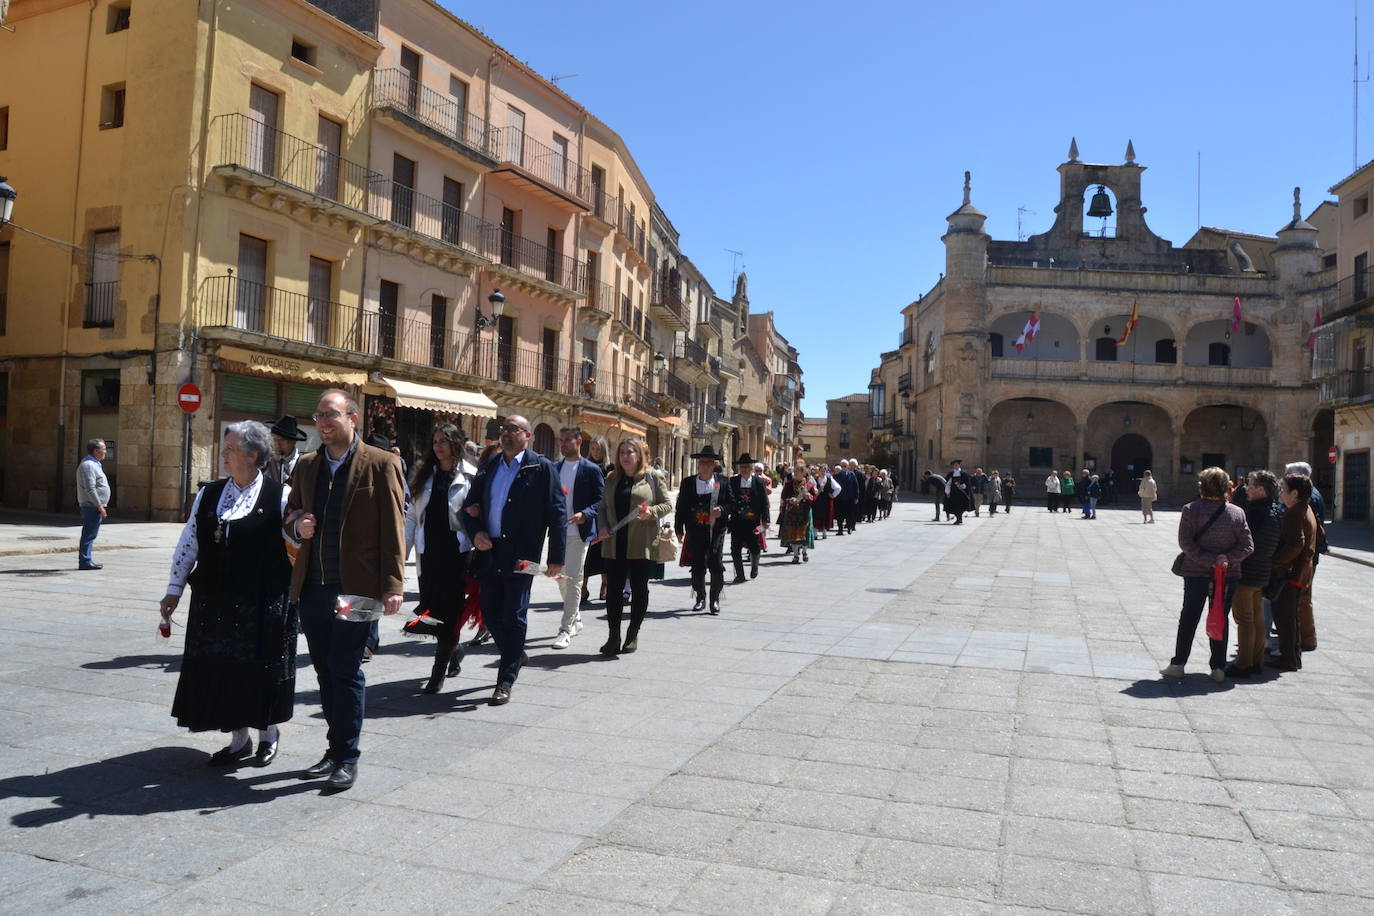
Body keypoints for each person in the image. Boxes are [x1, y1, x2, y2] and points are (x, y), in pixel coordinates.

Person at [285, 389, 406, 791]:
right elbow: (290, 517)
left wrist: (393, 585)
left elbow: (394, 528)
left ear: (353, 418)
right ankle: (334, 749)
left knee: (346, 669)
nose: (323, 421)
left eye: (331, 414)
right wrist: (296, 527)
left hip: (358, 590)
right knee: (323, 671)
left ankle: (347, 757)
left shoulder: (381, 464)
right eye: (318, 414)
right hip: (315, 588)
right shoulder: (306, 466)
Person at [160, 421, 295, 768]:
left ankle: (268, 735)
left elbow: (295, 547)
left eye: (231, 448)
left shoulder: (279, 496)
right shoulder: (210, 493)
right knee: (221, 670)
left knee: (259, 669)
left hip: (261, 602)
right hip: (215, 601)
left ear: (253, 455)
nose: (224, 454)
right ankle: (239, 740)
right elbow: (188, 542)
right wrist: (173, 589)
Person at [462, 415, 566, 706]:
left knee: (514, 614)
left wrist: (556, 557)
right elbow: (469, 507)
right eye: (504, 429)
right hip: (490, 552)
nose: (507, 433)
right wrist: (476, 532)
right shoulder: (490, 465)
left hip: (523, 557)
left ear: (527, 435)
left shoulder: (541, 467)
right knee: (490, 612)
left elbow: (557, 513)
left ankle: (505, 680)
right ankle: (515, 652)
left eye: (514, 429)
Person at [1160, 467, 1254, 683]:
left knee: (1189, 617)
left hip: (1195, 574)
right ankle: (1218, 668)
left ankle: (1178, 664)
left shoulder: (1191, 510)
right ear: (1225, 488)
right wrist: (1225, 559)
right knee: (1221, 617)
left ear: (1202, 486)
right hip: (1228, 575)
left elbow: (1186, 543)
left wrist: (1209, 559)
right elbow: (1248, 546)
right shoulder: (1237, 513)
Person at [403, 423, 477, 694]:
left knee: (449, 612)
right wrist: (404, 550)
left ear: (455, 443)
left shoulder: (470, 475)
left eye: (443, 441)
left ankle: (437, 674)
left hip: (457, 555)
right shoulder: (424, 475)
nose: (438, 446)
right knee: (431, 611)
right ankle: (454, 650)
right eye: (435, 441)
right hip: (429, 554)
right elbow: (412, 515)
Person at [593, 438, 673, 653]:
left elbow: (667, 504)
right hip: (613, 543)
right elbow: (602, 508)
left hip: (641, 543)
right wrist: (601, 527)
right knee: (613, 592)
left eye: (630, 452)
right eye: (622, 452)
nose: (625, 456)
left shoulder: (652, 477)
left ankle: (632, 633)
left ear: (639, 455)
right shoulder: (611, 478)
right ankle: (613, 636)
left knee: (639, 589)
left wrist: (651, 513)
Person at [552, 427, 604, 650]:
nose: (562, 444)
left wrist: (586, 514)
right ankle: (576, 618)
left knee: (573, 579)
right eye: (560, 441)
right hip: (557, 533)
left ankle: (565, 629)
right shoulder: (555, 469)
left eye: (566, 441)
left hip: (578, 534)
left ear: (579, 441)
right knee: (561, 580)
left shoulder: (591, 470)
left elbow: (601, 501)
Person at [1228, 471, 1280, 677]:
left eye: (1250, 485)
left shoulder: (1255, 513)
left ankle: (1243, 664)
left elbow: (1243, 542)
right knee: (1257, 619)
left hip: (1248, 571)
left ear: (1260, 490)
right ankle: (1256, 661)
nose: (1247, 489)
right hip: (1263, 572)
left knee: (1245, 619)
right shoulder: (1274, 511)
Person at [675, 445, 733, 614]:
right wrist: (679, 528)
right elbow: (681, 508)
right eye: (702, 462)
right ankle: (700, 597)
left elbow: (732, 504)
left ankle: (714, 600)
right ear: (698, 464)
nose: (705, 466)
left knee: (716, 561)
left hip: (716, 529)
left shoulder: (722, 482)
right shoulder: (688, 483)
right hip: (695, 530)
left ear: (714, 464)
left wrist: (721, 510)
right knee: (698, 564)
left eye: (709, 463)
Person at [1268, 473, 1318, 672]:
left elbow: (1297, 545)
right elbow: (1319, 534)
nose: (1280, 493)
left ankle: (1289, 658)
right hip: (1301, 572)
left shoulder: (1294, 512)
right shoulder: (1306, 509)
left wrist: (1276, 561)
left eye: (1283, 489)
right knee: (1292, 617)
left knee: (1285, 618)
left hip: (1291, 574)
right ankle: (1293, 656)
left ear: (1295, 493)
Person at [1284, 461, 1326, 652]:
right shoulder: (1312, 496)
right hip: (1308, 557)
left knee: (1301, 599)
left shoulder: (1309, 500)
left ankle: (1306, 639)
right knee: (1302, 598)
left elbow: (1303, 537)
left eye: (1288, 476)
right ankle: (1304, 637)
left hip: (1304, 560)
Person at [581, 435, 613, 606]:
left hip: (604, 516)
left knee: (603, 555)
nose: (595, 451)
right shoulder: (585, 466)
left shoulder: (610, 469)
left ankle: (605, 586)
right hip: (588, 515)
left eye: (598, 448)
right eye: (592, 448)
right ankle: (583, 588)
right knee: (586, 557)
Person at [727, 453, 769, 582]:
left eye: (746, 466)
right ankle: (740, 575)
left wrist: (766, 519)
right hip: (737, 521)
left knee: (755, 547)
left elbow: (764, 501)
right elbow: (728, 499)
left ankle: (754, 566)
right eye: (742, 467)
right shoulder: (733, 481)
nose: (744, 469)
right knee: (735, 548)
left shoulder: (758, 481)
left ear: (751, 468)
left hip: (753, 521)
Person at [76, 438, 112, 571]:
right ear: (96, 451)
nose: (105, 452)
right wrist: (99, 506)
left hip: (93, 506)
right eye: (103, 449)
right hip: (91, 506)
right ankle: (85, 561)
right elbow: (90, 488)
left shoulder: (94, 464)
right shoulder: (88, 466)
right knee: (89, 534)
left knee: (91, 534)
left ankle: (87, 559)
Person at [779, 460, 816, 563]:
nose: (795, 473)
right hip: (792, 511)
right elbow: (784, 496)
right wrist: (789, 500)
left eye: (797, 471)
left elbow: (814, 497)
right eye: (794, 471)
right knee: (793, 533)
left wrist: (810, 496)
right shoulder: (789, 484)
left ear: (803, 472)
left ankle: (804, 552)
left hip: (805, 511)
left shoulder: (809, 485)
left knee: (805, 533)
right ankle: (795, 555)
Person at [266, 415, 308, 485]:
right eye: (274, 439)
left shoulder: (303, 465)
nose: (277, 445)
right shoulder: (263, 461)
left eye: (282, 441)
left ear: (293, 442)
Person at [834, 461, 860, 534]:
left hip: (850, 498)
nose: (843, 467)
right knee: (840, 515)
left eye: (845, 466)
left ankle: (849, 528)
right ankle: (840, 530)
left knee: (850, 514)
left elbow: (856, 486)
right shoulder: (837, 475)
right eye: (842, 466)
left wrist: (856, 497)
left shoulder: (852, 474)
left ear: (848, 466)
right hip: (840, 498)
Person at [945, 459, 972, 524]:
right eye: (954, 465)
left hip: (962, 493)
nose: (956, 466)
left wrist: (962, 486)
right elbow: (948, 483)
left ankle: (959, 519)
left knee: (961, 506)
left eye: (957, 465)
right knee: (954, 506)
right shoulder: (951, 474)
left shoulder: (964, 474)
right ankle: (959, 519)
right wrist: (947, 492)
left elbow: (967, 483)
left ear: (959, 465)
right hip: (953, 493)